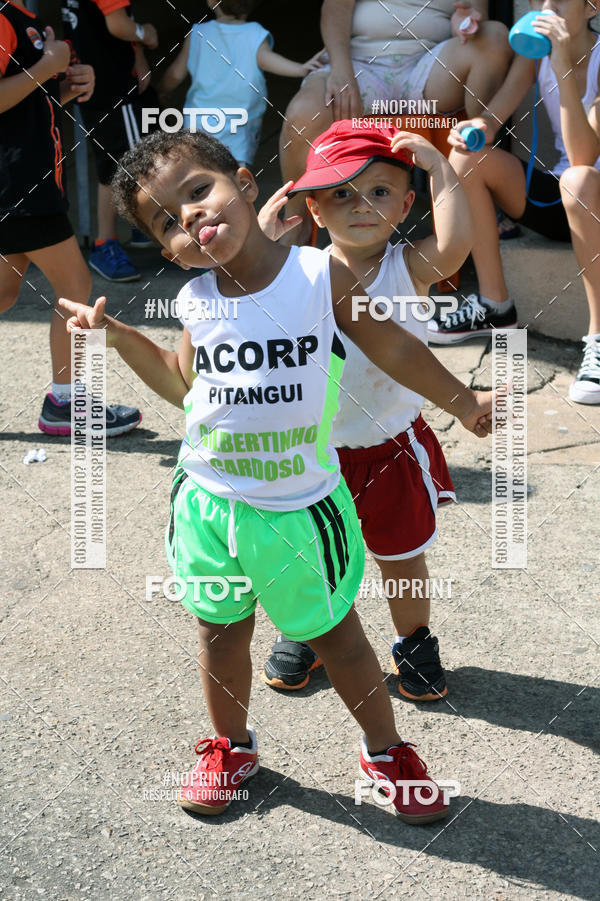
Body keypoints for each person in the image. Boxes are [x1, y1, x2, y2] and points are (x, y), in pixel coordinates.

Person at [59, 129, 493, 821]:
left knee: (339, 637)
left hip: (301, 508)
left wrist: (464, 401)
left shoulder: (321, 276)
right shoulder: (196, 301)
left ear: (245, 182)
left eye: (200, 192)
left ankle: (385, 749)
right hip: (208, 504)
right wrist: (117, 339)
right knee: (219, 634)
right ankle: (230, 745)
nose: (192, 219)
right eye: (168, 222)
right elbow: (182, 387)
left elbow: (393, 346)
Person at [258, 122, 466, 700]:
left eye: (378, 191)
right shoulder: (293, 271)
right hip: (314, 452)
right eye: (341, 194)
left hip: (391, 446)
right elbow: (244, 296)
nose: (361, 206)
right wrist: (258, 238)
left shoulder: (409, 267)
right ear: (315, 211)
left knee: (400, 560)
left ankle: (416, 643)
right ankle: (314, 631)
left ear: (406, 203)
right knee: (313, 554)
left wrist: (441, 168)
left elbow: (456, 242)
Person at [440, 0, 600, 405]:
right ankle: (496, 305)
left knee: (579, 179)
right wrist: (474, 129)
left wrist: (562, 62)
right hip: (564, 199)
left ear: (591, 6)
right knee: (464, 158)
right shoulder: (535, 58)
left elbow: (583, 157)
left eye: (558, 1)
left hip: (589, 194)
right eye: (537, 0)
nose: (544, 8)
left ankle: (598, 339)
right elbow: (491, 120)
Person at [0, 0, 141, 437]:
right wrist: (46, 67)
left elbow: (20, 106)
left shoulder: (22, 17)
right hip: (19, 186)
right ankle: (65, 403)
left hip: (23, 185)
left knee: (3, 295)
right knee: (75, 289)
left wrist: (64, 89)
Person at [278, 0, 513, 244]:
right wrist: (340, 69)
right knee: (303, 113)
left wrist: (464, 23)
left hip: (430, 66)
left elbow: (475, 17)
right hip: (359, 63)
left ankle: (481, 199)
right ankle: (295, 223)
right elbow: (335, 7)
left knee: (493, 36)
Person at [160, 0, 324, 169]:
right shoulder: (255, 34)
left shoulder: (198, 33)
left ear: (211, 2)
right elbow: (269, 61)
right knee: (236, 173)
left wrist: (161, 90)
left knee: (199, 170)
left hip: (199, 122)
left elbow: (175, 74)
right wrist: (301, 69)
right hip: (238, 124)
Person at [61, 0, 159, 281]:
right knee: (120, 165)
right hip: (112, 86)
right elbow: (119, 24)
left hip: (103, 81)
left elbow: (118, 14)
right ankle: (105, 244)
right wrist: (145, 34)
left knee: (133, 153)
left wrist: (137, 51)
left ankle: (141, 221)